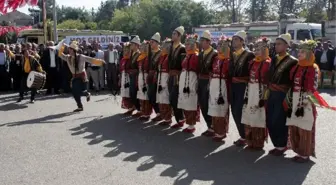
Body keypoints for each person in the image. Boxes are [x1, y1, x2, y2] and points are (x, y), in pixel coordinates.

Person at [284, 40, 319, 163]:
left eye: (303, 52)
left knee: (304, 125)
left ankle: (305, 154)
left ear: (309, 53)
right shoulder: (296, 66)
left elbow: (313, 87)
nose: (299, 54)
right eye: (299, 51)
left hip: (306, 99)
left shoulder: (313, 68)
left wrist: (305, 101)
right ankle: (298, 151)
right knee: (295, 124)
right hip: (294, 97)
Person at [266, 33, 298, 156]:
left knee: (278, 120)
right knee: (269, 119)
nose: (276, 46)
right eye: (276, 44)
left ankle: (282, 145)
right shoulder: (273, 58)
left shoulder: (292, 62)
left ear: (286, 45)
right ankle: (277, 144)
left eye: (279, 44)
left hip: (282, 94)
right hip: (272, 93)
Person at [241, 37, 271, 150]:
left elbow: (268, 83)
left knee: (259, 116)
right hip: (250, 90)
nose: (256, 51)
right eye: (255, 48)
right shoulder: (252, 63)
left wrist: (264, 97)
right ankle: (250, 140)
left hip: (261, 92)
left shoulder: (268, 63)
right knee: (249, 115)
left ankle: (258, 142)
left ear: (265, 50)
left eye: (259, 49)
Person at [58, 41, 105, 112]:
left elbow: (91, 60)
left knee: (81, 91)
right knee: (74, 92)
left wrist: (100, 62)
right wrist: (62, 46)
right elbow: (60, 54)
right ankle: (80, 106)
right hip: (74, 77)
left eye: (70, 49)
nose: (69, 51)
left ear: (74, 50)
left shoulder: (81, 57)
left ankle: (86, 93)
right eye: (69, 49)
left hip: (82, 77)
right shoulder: (68, 58)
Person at [229, 30, 255, 146]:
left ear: (242, 42)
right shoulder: (233, 54)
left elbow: (251, 73)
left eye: (236, 40)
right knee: (234, 110)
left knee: (241, 111)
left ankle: (247, 135)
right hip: (234, 86)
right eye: (233, 40)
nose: (233, 42)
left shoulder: (249, 55)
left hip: (243, 87)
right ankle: (242, 135)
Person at [208, 35, 231, 142]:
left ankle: (221, 132)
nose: (219, 47)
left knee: (221, 108)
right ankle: (216, 130)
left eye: (222, 45)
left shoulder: (228, 60)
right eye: (219, 44)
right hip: (214, 84)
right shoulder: (216, 58)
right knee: (213, 107)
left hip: (222, 85)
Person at [176, 34, 199, 133]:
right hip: (184, 78)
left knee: (191, 101)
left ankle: (191, 124)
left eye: (189, 44)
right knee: (184, 101)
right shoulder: (187, 56)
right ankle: (188, 122)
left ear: (194, 45)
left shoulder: (196, 56)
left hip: (191, 79)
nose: (186, 45)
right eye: (186, 44)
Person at [198, 30, 218, 137]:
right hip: (201, 81)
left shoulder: (214, 54)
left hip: (209, 81)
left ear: (208, 42)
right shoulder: (201, 53)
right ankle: (209, 126)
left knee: (208, 103)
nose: (201, 43)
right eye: (200, 41)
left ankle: (213, 126)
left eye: (202, 41)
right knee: (202, 103)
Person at [169, 26, 186, 128]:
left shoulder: (182, 48)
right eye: (172, 34)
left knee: (174, 98)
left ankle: (181, 118)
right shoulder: (171, 47)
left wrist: (177, 72)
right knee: (171, 98)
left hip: (178, 77)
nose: (172, 35)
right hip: (171, 75)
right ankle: (179, 119)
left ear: (179, 36)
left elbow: (182, 65)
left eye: (174, 34)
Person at [156, 38, 173, 125]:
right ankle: (164, 117)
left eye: (164, 45)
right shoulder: (162, 56)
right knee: (161, 97)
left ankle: (168, 118)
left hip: (166, 77)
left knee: (165, 97)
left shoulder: (169, 56)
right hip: (160, 76)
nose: (162, 46)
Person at [137, 41, 152, 121]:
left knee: (146, 95)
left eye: (143, 47)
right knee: (141, 95)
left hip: (145, 76)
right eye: (141, 47)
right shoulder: (140, 57)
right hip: (140, 76)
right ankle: (143, 112)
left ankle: (147, 113)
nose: (141, 48)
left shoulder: (148, 58)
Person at [148, 32, 162, 122]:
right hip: (151, 76)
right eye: (151, 42)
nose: (151, 44)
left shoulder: (161, 53)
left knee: (156, 95)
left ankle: (160, 113)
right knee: (151, 95)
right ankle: (158, 113)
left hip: (158, 76)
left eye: (152, 42)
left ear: (157, 43)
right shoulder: (151, 53)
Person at [127, 36, 141, 116]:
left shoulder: (139, 54)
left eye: (132, 44)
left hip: (136, 76)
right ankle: (134, 107)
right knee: (131, 92)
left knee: (135, 92)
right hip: (132, 75)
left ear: (136, 45)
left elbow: (138, 67)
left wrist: (132, 71)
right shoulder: (132, 54)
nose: (131, 46)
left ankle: (139, 109)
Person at [119, 42, 133, 111]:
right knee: (124, 91)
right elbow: (121, 70)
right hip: (123, 77)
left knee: (129, 92)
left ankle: (131, 107)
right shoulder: (122, 60)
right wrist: (120, 79)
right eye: (124, 50)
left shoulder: (131, 59)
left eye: (127, 50)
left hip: (129, 78)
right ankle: (127, 107)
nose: (125, 52)